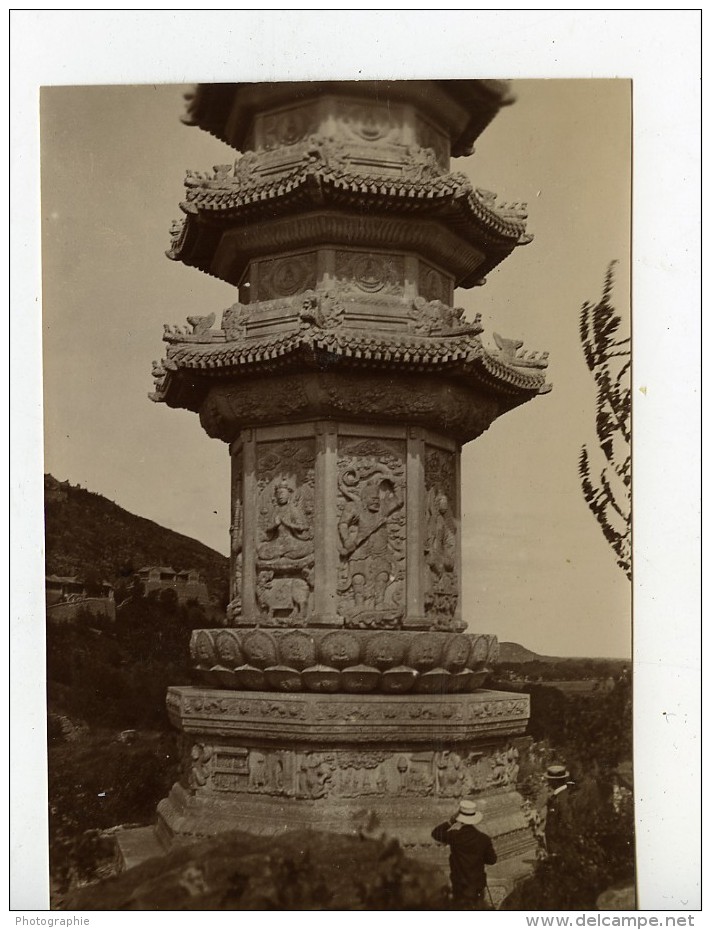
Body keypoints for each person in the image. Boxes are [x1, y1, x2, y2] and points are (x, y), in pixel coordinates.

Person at [432, 799, 497, 909]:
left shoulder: (454, 836)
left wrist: (451, 821)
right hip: (477, 885)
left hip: (459, 884)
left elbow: (436, 833)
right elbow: (492, 860)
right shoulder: (483, 839)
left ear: (460, 819)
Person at [544, 764, 575, 856]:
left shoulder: (561, 798)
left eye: (549, 779)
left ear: (554, 782)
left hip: (560, 849)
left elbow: (566, 824)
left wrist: (557, 850)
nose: (548, 782)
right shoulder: (561, 795)